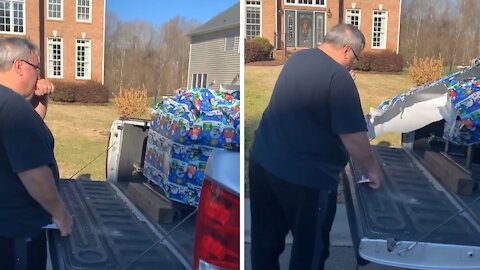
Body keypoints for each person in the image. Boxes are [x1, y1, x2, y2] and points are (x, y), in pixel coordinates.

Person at [248, 24, 384, 270]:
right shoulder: (338, 78)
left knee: (265, 243)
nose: (354, 63)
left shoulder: (298, 58)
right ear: (346, 50)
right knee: (309, 252)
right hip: (306, 181)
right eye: (355, 56)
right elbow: (354, 136)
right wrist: (371, 169)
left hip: (262, 162)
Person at [0, 37, 73, 270]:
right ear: (19, 66)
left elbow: (31, 124)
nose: (39, 76)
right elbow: (33, 174)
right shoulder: (13, 106)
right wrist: (61, 214)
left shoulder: (9, 103)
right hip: (17, 233)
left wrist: (40, 97)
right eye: (36, 68)